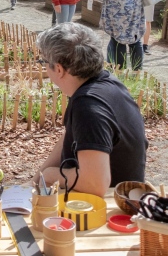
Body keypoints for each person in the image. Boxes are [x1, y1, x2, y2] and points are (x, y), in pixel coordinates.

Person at [33, 23, 147, 197]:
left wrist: (50, 175)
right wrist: (40, 175)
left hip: (108, 206)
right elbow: (74, 136)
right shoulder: (107, 84)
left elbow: (95, 183)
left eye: (44, 62)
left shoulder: (88, 106)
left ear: (59, 69)